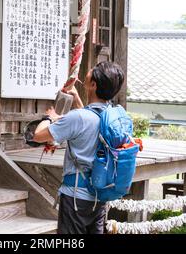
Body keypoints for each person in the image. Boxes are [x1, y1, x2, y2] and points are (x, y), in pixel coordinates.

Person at [33, 61, 125, 235]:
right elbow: (91, 120)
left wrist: (50, 117)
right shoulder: (112, 117)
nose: (87, 73)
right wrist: (77, 100)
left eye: (91, 73)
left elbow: (38, 136)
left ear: (93, 85)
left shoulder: (78, 118)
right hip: (99, 196)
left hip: (76, 197)